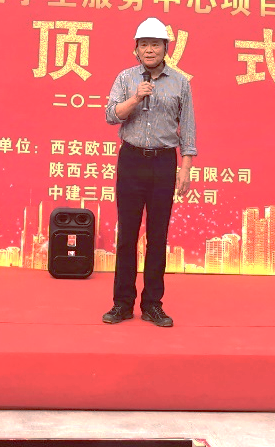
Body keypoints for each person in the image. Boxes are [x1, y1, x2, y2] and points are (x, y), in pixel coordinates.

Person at [101, 17, 196, 329]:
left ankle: (153, 304)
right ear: (136, 49)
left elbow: (188, 129)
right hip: (131, 161)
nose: (150, 50)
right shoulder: (126, 78)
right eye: (144, 45)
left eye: (155, 44)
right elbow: (111, 115)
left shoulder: (180, 83)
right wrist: (136, 97)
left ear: (166, 48)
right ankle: (122, 303)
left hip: (163, 163)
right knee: (127, 236)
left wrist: (185, 168)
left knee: (158, 236)